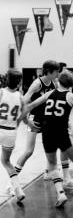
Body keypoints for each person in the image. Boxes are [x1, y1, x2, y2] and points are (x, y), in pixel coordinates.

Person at [20, 70, 73, 208]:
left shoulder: (50, 93)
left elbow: (30, 105)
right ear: (71, 84)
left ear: (58, 81)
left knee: (52, 164)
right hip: (61, 133)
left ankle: (60, 193)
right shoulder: (71, 96)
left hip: (46, 133)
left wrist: (23, 120)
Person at [12, 60, 73, 191]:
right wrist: (27, 120)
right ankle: (12, 183)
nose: (58, 74)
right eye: (57, 71)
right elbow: (23, 102)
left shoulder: (54, 82)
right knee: (29, 151)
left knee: (61, 146)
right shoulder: (37, 83)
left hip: (48, 120)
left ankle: (63, 178)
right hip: (35, 118)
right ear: (49, 72)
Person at [0, 69, 38, 203]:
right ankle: (18, 190)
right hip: (10, 132)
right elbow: (25, 117)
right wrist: (32, 125)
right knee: (6, 162)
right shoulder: (20, 97)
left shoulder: (1, 92)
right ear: (19, 82)